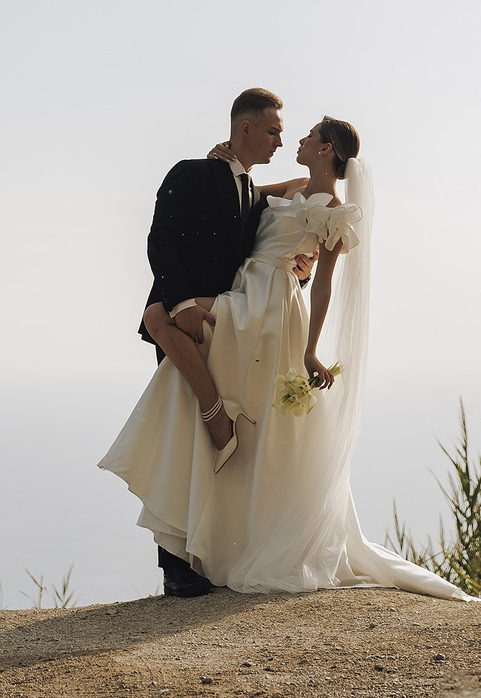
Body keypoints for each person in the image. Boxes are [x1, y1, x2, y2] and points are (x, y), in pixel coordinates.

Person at [100, 112, 471, 600]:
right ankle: (215, 484)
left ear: (327, 150)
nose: (296, 137)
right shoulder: (294, 184)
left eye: (309, 135)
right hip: (246, 287)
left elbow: (323, 287)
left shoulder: (335, 211)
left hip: (270, 307)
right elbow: (246, 197)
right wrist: (226, 156)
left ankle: (214, 426)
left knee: (162, 322)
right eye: (282, 130)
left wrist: (312, 347)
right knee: (193, 360)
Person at [128, 87, 283, 598]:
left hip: (223, 325)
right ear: (245, 128)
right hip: (180, 322)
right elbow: (161, 239)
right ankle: (174, 566)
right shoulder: (191, 172)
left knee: (204, 436)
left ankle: (197, 554)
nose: (280, 139)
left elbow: (302, 186)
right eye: (273, 130)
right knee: (180, 433)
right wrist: (180, 306)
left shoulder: (251, 193)